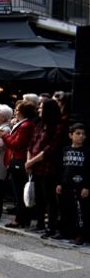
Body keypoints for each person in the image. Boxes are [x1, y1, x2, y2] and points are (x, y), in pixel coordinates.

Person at [25, 99, 62, 237]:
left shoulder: (57, 126)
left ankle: (50, 227)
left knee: (49, 198)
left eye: (41, 107)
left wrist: (31, 161)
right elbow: (31, 143)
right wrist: (29, 161)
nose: (39, 109)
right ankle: (39, 222)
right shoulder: (40, 124)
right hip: (35, 166)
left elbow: (49, 149)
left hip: (48, 167)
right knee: (38, 196)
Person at [55, 123, 90, 244]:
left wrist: (86, 186)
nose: (81, 136)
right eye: (78, 133)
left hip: (80, 186)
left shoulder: (87, 151)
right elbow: (61, 168)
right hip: (66, 184)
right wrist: (59, 183)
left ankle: (81, 234)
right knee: (65, 209)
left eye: (83, 134)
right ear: (70, 135)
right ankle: (65, 232)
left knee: (80, 211)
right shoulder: (65, 150)